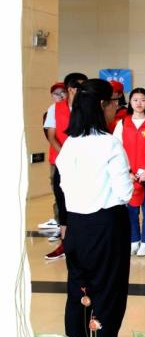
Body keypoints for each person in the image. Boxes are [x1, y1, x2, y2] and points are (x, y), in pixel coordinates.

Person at [56, 78, 133, 337]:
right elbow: (124, 193)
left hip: (77, 226)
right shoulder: (110, 144)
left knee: (79, 291)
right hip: (107, 225)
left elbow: (62, 187)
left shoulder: (70, 144)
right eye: (114, 103)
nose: (116, 108)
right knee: (108, 293)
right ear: (102, 105)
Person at [43, 72, 88, 260]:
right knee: (62, 201)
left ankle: (84, 240)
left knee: (83, 201)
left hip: (84, 163)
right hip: (61, 162)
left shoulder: (87, 107)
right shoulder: (55, 108)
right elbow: (51, 135)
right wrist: (65, 155)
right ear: (71, 89)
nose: (84, 91)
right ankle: (65, 243)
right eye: (81, 87)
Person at [113, 88, 145, 257]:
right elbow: (117, 150)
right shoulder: (122, 123)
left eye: (143, 100)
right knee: (131, 209)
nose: (139, 103)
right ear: (130, 102)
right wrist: (128, 171)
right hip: (128, 174)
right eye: (135, 100)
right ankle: (134, 240)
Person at [38, 82, 67, 235]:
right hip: (56, 159)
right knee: (58, 191)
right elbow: (50, 136)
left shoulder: (74, 110)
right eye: (56, 93)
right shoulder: (51, 111)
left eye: (63, 92)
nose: (60, 96)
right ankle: (59, 222)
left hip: (72, 159)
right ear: (51, 96)